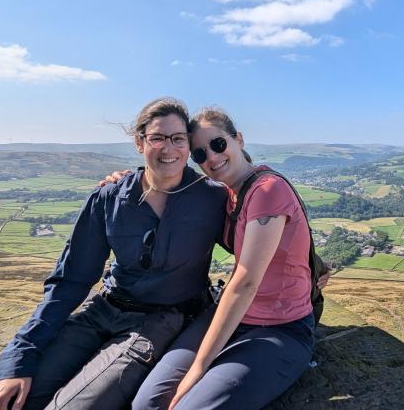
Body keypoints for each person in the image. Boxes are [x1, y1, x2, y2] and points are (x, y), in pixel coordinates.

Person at [0, 97, 228, 410]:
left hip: (159, 322)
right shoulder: (110, 196)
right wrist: (18, 360)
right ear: (140, 142)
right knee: (16, 398)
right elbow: (70, 279)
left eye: (178, 139)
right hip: (102, 311)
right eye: (157, 138)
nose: (169, 149)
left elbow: (257, 250)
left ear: (189, 146)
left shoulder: (213, 199)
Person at [131, 107, 319, 410]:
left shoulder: (267, 189)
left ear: (238, 140)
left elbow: (245, 283)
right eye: (200, 154)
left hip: (281, 329)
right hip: (232, 318)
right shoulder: (228, 193)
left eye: (218, 144)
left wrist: (198, 367)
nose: (212, 158)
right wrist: (122, 181)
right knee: (148, 404)